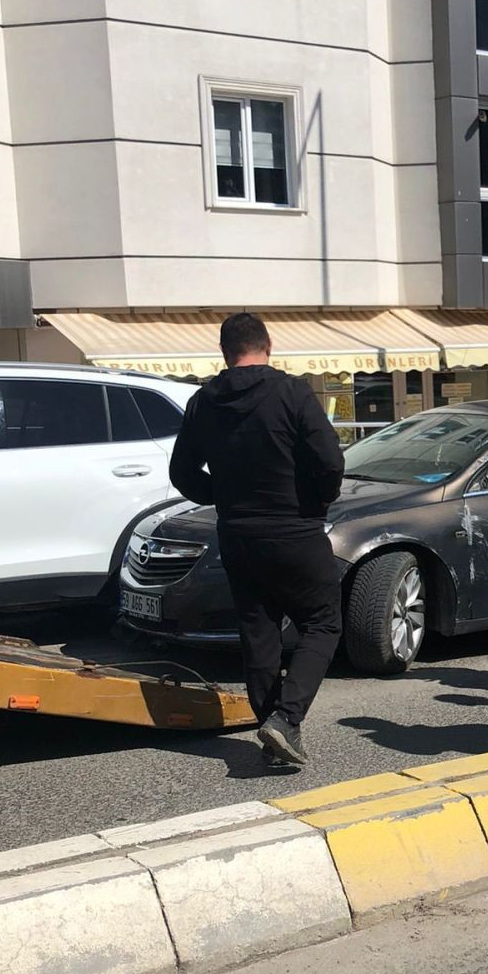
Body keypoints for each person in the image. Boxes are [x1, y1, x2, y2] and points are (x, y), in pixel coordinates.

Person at [170, 312, 345, 768]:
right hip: (294, 529)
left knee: (259, 634)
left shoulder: (202, 402)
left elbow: (181, 474)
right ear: (268, 345)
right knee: (323, 623)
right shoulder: (291, 392)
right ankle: (286, 721)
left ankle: (276, 735)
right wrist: (315, 503)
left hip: (238, 534)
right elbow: (330, 461)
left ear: (225, 352)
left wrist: (224, 498)